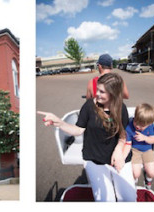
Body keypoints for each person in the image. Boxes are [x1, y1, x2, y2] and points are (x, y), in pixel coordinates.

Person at [39, 72, 135, 202]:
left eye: (102, 92)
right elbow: (78, 130)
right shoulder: (89, 106)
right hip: (94, 158)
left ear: (113, 94)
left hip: (118, 157)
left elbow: (123, 135)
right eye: (97, 90)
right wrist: (60, 123)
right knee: (106, 201)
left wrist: (118, 151)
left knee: (129, 199)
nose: (97, 94)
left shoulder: (121, 108)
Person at [126, 102, 154, 190]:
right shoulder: (129, 126)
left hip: (147, 150)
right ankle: (134, 181)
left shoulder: (150, 126)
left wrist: (144, 138)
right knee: (135, 173)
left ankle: (148, 179)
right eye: (136, 122)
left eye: (142, 125)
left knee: (152, 173)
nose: (138, 126)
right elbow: (127, 142)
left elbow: (153, 139)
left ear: (149, 124)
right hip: (135, 150)